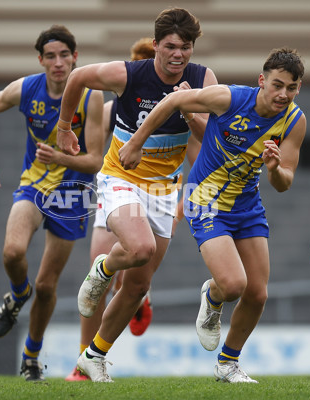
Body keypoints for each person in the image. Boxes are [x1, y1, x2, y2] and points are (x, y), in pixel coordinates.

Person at [119, 47, 307, 383]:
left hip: (247, 205)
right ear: (262, 81)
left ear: (298, 88)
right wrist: (136, 142)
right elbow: (174, 102)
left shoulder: (294, 120)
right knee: (234, 284)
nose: (283, 95)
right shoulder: (230, 98)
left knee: (258, 293)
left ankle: (227, 365)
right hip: (204, 199)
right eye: (277, 85)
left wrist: (275, 168)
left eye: (291, 88)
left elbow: (284, 183)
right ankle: (213, 295)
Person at [57, 7, 217, 382]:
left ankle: (92, 358)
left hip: (163, 190)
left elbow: (208, 138)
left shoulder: (201, 78)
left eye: (187, 47)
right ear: (158, 44)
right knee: (139, 249)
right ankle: (103, 269)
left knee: (139, 285)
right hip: (121, 178)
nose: (179, 55)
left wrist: (189, 107)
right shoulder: (127, 75)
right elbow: (79, 76)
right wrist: (65, 127)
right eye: (172, 47)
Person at [0, 25, 105, 381]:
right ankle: (18, 294)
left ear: (75, 58)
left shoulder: (89, 95)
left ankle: (31, 357)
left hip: (72, 193)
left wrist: (61, 159)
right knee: (12, 252)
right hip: (33, 185)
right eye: (51, 56)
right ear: (41, 60)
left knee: (48, 286)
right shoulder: (27, 88)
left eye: (65, 55)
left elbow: (94, 160)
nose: (59, 62)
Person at [65, 36, 157, 382]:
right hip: (117, 192)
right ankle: (82, 364)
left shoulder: (180, 100)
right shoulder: (110, 109)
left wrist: (188, 197)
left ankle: (136, 296)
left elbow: (197, 148)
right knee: (98, 275)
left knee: (137, 273)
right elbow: (91, 158)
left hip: (159, 192)